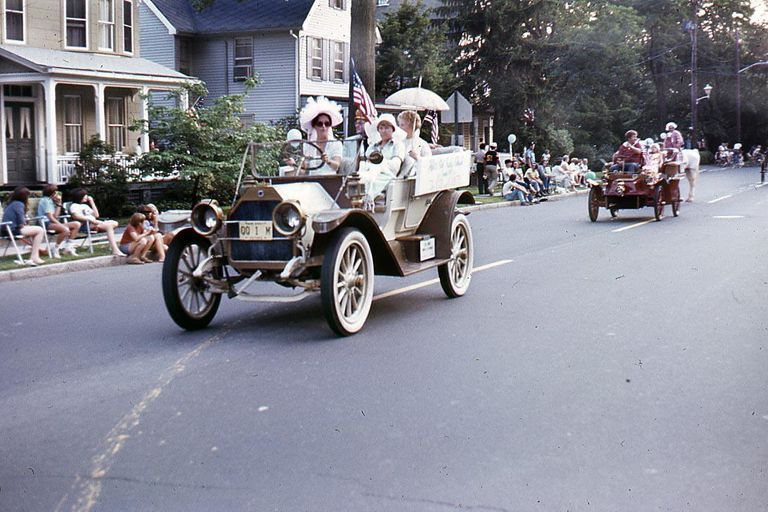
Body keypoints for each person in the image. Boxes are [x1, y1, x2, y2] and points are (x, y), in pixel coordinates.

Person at [360, 113, 406, 204]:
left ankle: (369, 199)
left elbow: (395, 167)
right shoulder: (372, 147)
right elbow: (367, 162)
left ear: (393, 129)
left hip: (387, 176)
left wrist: (380, 163)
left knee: (370, 181)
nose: (384, 131)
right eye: (381, 128)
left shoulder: (398, 145)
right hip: (369, 173)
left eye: (387, 128)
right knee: (359, 179)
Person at [68, 188, 125, 256]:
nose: (87, 196)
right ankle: (115, 249)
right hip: (86, 225)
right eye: (85, 195)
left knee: (114, 223)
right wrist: (89, 220)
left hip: (95, 223)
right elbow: (76, 216)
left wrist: (92, 202)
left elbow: (96, 215)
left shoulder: (85, 206)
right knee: (109, 226)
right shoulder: (74, 206)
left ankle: (113, 246)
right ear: (80, 196)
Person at [296, 96, 344, 175]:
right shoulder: (308, 146)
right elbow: (303, 171)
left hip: (330, 181)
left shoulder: (336, 144)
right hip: (312, 182)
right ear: (314, 126)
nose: (324, 127)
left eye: (327, 124)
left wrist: (327, 161)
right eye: (320, 124)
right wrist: (294, 165)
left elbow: (337, 166)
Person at [2, 186, 46, 265]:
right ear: (25, 196)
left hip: (7, 229)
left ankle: (35, 253)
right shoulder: (19, 204)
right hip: (12, 230)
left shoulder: (11, 203)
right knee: (40, 230)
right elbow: (21, 221)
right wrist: (25, 226)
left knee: (35, 231)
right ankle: (34, 256)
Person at [36, 184, 80, 257]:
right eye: (56, 192)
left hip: (52, 223)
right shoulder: (46, 201)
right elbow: (50, 217)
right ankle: (55, 249)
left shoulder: (50, 201)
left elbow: (55, 216)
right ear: (52, 193)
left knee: (76, 224)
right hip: (46, 223)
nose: (57, 193)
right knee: (65, 230)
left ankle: (68, 247)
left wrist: (59, 204)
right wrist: (60, 224)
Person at [397, 110, 432, 177]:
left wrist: (417, 157)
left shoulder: (422, 144)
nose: (399, 127)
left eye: (402, 125)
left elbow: (428, 165)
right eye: (399, 124)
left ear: (412, 126)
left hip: (413, 180)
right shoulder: (398, 142)